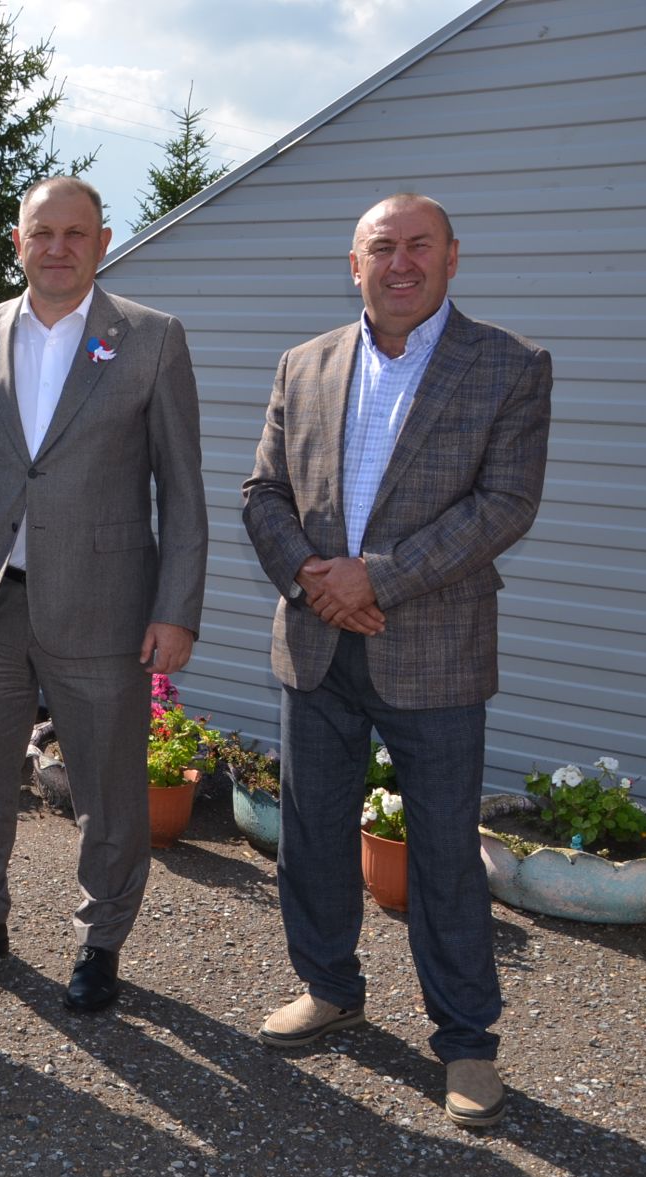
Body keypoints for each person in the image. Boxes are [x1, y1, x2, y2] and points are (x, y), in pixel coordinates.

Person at [243, 193, 550, 1128]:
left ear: (454, 257)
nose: (401, 262)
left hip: (438, 655)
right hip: (315, 644)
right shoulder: (305, 364)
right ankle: (329, 986)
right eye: (384, 247)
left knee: (447, 856)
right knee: (311, 835)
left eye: (420, 246)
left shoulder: (508, 365)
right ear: (355, 263)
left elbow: (505, 505)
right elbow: (262, 492)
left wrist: (374, 579)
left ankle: (466, 1044)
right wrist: (310, 578)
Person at [0, 176, 207, 1010]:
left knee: (107, 788)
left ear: (103, 242)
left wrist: (175, 609)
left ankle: (101, 942)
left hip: (106, 607)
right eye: (42, 232)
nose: (57, 247)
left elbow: (182, 492)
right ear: (18, 242)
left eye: (75, 233)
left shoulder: (151, 340)